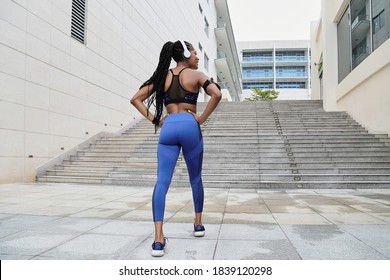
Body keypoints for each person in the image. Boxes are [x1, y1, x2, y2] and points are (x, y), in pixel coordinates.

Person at [130, 40, 222, 257]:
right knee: (196, 178)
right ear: (185, 55)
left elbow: (136, 99)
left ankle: (158, 239)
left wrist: (156, 120)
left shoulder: (163, 76)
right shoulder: (197, 75)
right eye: (195, 54)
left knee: (161, 182)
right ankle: (198, 224)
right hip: (190, 124)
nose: (197, 58)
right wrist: (201, 118)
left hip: (169, 125)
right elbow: (216, 94)